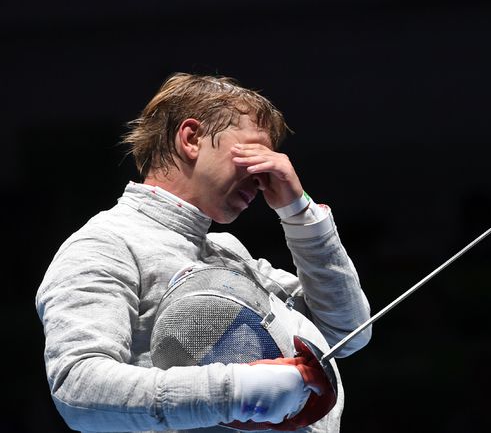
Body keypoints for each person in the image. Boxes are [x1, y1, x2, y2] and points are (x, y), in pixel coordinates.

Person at [35, 73, 372, 433]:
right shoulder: (106, 244)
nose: (264, 176)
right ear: (192, 138)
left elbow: (346, 331)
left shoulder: (227, 253)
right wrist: (237, 391)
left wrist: (299, 212)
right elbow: (78, 389)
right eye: (254, 153)